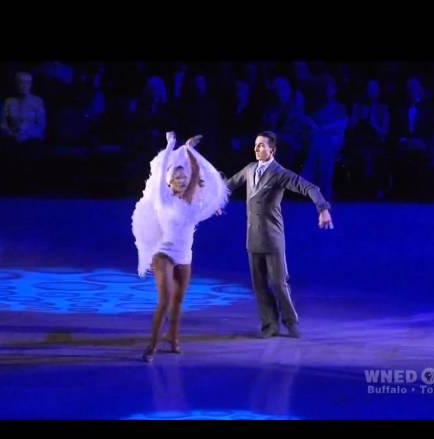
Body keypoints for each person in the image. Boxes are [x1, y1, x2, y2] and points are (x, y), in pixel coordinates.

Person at [225, 131, 334, 339]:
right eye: (255, 145)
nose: (256, 149)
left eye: (261, 146)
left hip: (273, 237)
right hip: (253, 236)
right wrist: (214, 201)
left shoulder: (279, 173)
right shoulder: (249, 169)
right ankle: (270, 325)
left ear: (272, 150)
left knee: (278, 282)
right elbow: (228, 185)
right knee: (259, 285)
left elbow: (308, 187)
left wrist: (322, 208)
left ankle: (290, 321)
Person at [132, 131, 229, 361]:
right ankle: (153, 345)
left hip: (185, 256)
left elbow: (196, 171)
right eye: (177, 177)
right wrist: (170, 145)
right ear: (169, 182)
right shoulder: (164, 198)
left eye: (184, 178)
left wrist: (189, 150)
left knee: (178, 301)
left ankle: (173, 338)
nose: (182, 179)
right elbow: (166, 164)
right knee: (165, 300)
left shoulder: (194, 200)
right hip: (164, 254)